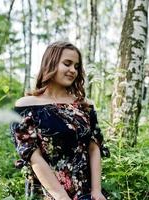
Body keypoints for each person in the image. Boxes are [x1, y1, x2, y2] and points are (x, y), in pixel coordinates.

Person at [10, 41, 110, 200]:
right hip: (48, 192)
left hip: (85, 191)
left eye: (76, 66)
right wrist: (61, 196)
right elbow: (33, 156)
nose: (73, 70)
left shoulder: (85, 106)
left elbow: (94, 147)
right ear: (51, 64)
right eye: (67, 64)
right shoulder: (26, 106)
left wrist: (97, 191)